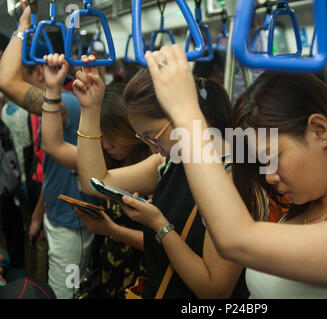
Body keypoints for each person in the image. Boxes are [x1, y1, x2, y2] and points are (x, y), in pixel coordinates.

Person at [131, 45, 327, 299]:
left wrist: (186, 115)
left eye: (274, 157)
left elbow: (235, 240)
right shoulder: (300, 212)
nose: (269, 176)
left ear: (319, 131)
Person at [73, 55, 249, 299]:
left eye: (152, 136)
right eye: (142, 139)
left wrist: (159, 225)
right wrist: (90, 109)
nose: (152, 148)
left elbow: (214, 290)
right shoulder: (171, 161)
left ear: (181, 113)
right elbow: (94, 181)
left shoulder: (232, 177)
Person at [0, 5, 98, 298]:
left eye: (26, 72)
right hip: (59, 214)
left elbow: (6, 80)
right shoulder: (60, 107)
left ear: (40, 70)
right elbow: (54, 165)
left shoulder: (66, 105)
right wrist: (39, 214)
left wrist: (23, 24)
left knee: (65, 293)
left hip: (73, 223)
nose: (24, 80)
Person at [40, 53, 150, 298]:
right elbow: (53, 145)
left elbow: (165, 242)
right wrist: (52, 89)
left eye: (112, 136)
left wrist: (111, 229)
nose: (106, 144)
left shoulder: (153, 167)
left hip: (143, 275)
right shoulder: (105, 161)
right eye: (101, 136)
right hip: (109, 267)